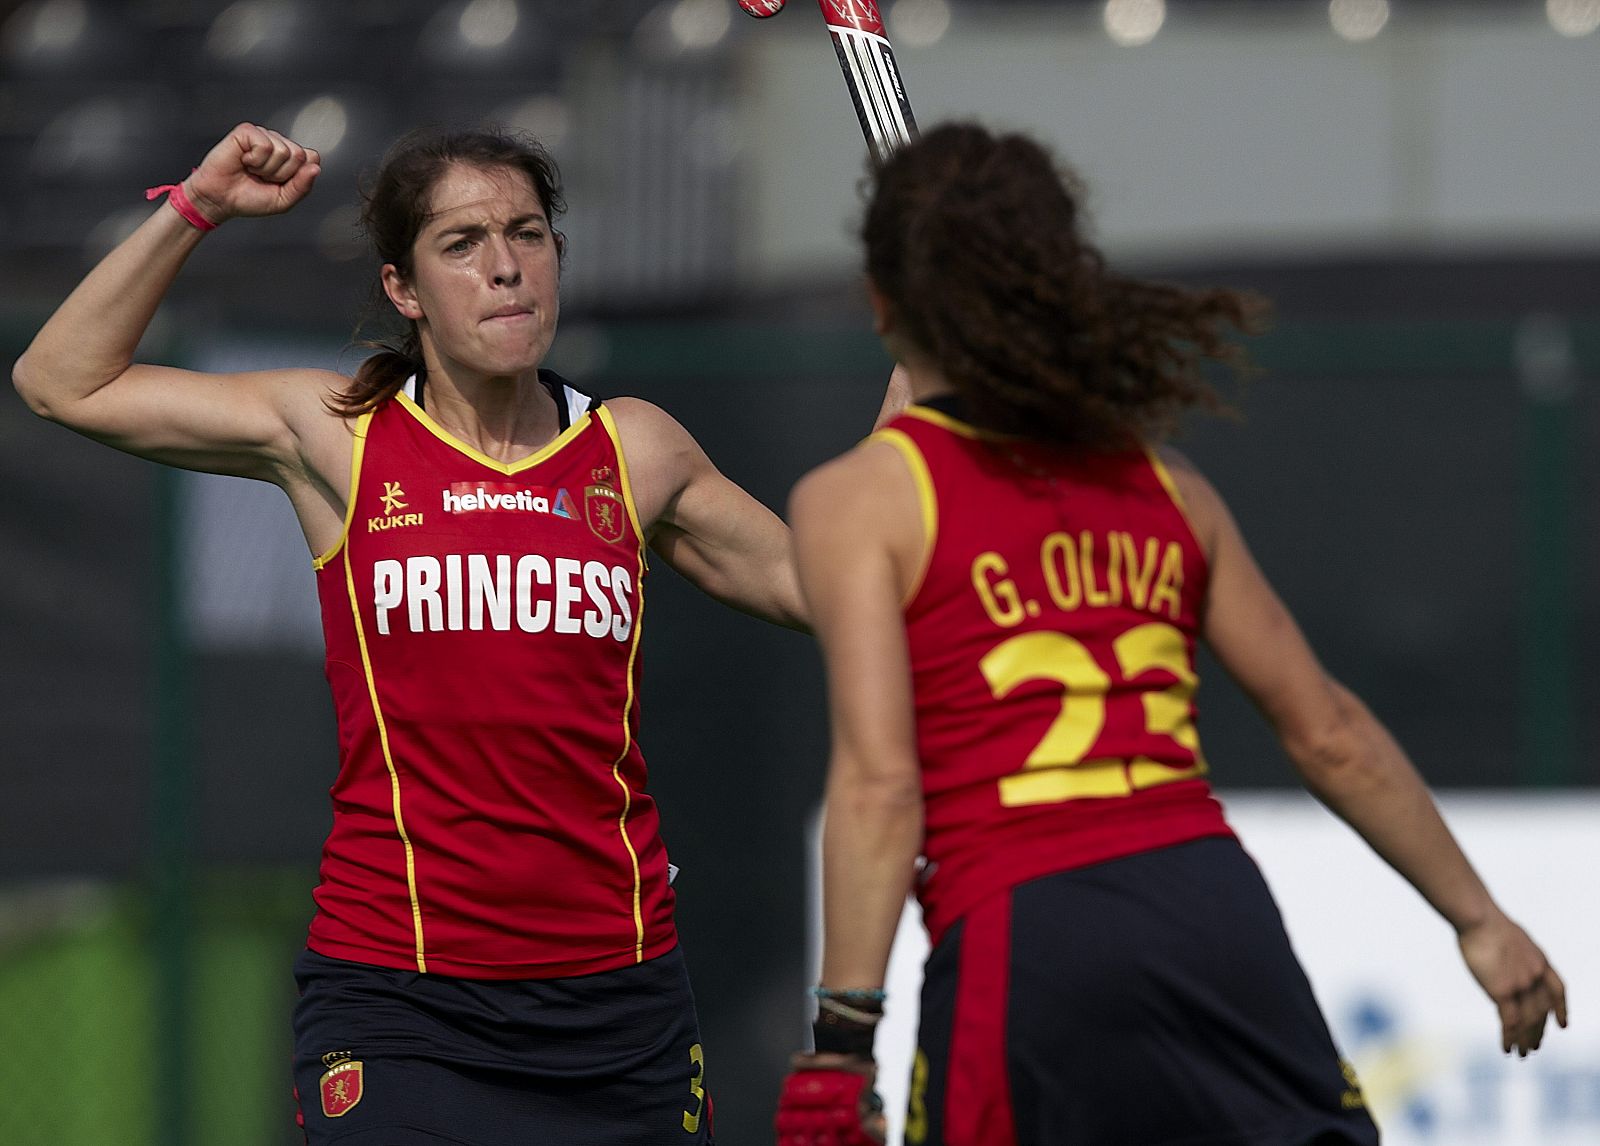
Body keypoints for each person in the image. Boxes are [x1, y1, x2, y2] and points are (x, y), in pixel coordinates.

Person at [13, 121, 904, 1145]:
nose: (505, 267)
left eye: (527, 233)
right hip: (402, 1000)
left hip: (618, 1005)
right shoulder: (337, 435)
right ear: (403, 288)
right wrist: (197, 206)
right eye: (462, 243)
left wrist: (920, 393)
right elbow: (60, 380)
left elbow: (828, 588)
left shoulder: (636, 450)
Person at [776, 122, 1568, 1146]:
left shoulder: (861, 498)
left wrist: (843, 1042)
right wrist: (1478, 919)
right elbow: (1324, 727)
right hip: (1211, 914)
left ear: (878, 300)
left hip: (1027, 932)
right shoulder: (1160, 481)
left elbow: (880, 787)